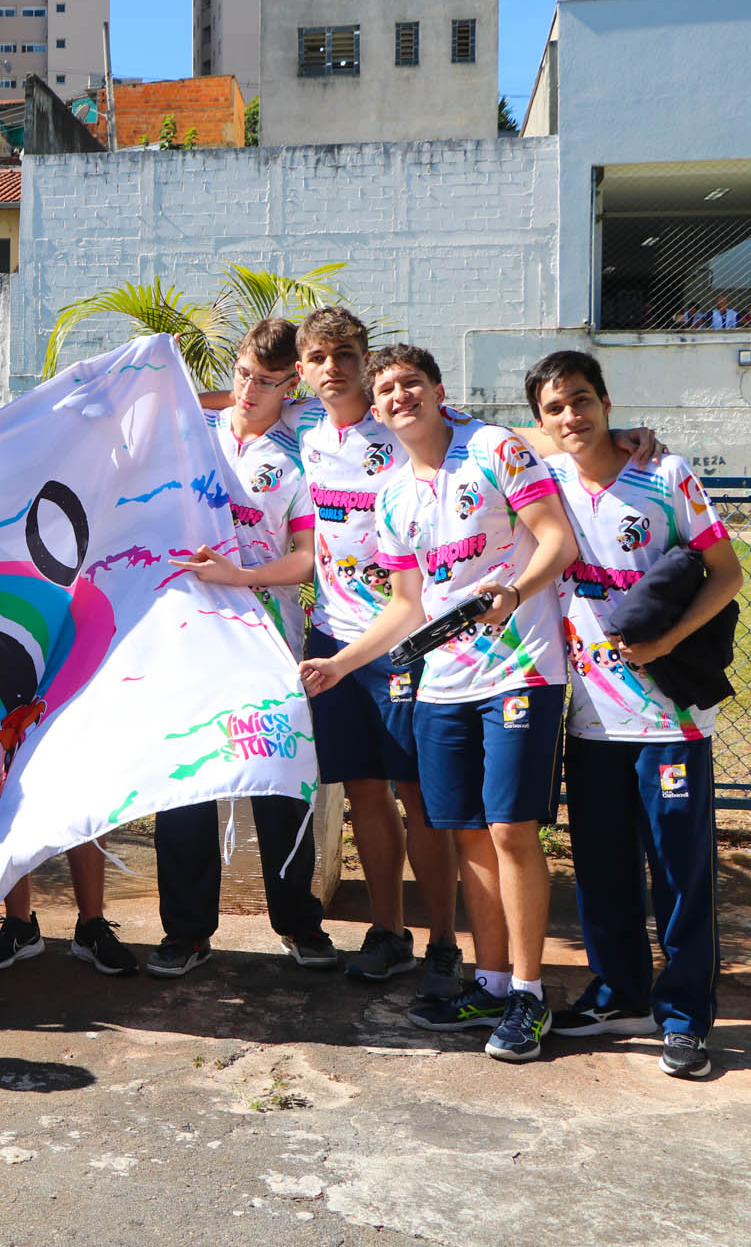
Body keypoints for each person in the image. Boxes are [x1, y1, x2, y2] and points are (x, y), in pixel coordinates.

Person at [300, 344, 579, 1063]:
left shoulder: (494, 449)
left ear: (438, 390)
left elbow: (558, 539)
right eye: (387, 388)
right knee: (468, 835)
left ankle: (529, 994)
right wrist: (338, 664)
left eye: (411, 383)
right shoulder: (393, 495)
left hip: (521, 671)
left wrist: (515, 592)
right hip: (444, 683)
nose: (400, 396)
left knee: (511, 830)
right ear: (376, 404)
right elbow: (406, 607)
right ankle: (489, 983)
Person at [529, 350, 743, 1079]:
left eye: (582, 400)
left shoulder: (665, 474)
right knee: (601, 869)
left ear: (607, 402)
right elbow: (456, 425)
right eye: (555, 408)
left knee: (680, 873)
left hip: (668, 719)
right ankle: (621, 995)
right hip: (590, 717)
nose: (572, 416)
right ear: (540, 421)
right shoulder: (545, 482)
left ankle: (684, 1018)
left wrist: (667, 642)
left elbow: (727, 574)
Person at [0, 330, 137, 977]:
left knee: (77, 775)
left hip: (59, 627)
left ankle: (92, 923)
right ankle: (18, 923)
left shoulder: (34, 430)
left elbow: (102, 426)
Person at [290, 308, 463, 995]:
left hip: (404, 639)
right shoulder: (303, 426)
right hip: (332, 638)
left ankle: (445, 941)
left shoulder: (401, 421)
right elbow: (238, 399)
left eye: (345, 354)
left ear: (365, 360)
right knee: (363, 791)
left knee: (419, 795)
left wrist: (623, 438)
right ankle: (389, 932)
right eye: (319, 357)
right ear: (303, 370)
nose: (333, 368)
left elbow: (500, 438)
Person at [161, 319, 334, 976]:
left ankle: (299, 923)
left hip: (269, 638)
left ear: (291, 384)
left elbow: (307, 557)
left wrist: (240, 576)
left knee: (280, 782)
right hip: (189, 638)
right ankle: (186, 932)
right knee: (186, 783)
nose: (248, 390)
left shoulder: (301, 452)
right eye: (241, 375)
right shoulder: (194, 435)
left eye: (266, 381)